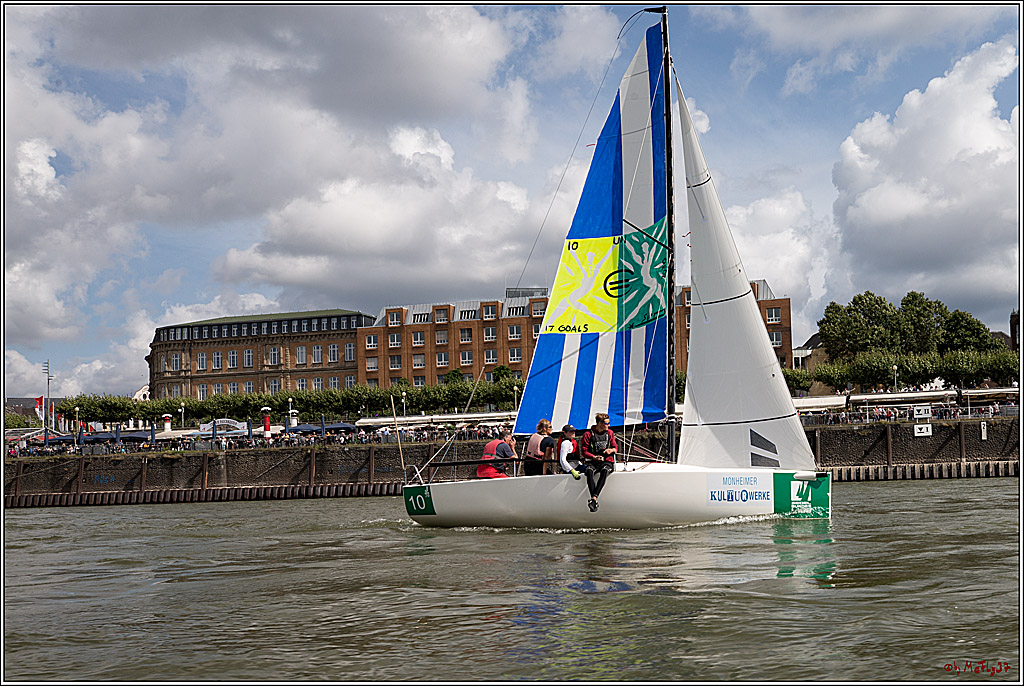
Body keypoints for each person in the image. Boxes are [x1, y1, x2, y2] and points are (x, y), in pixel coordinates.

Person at [580, 412, 618, 512]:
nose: (609, 425)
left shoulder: (610, 433)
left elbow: (615, 447)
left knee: (604, 471)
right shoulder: (588, 434)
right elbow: (584, 451)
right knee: (589, 471)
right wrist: (594, 457)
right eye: (607, 423)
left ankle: (594, 499)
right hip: (594, 461)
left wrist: (611, 450)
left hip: (607, 461)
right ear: (599, 423)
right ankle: (593, 500)